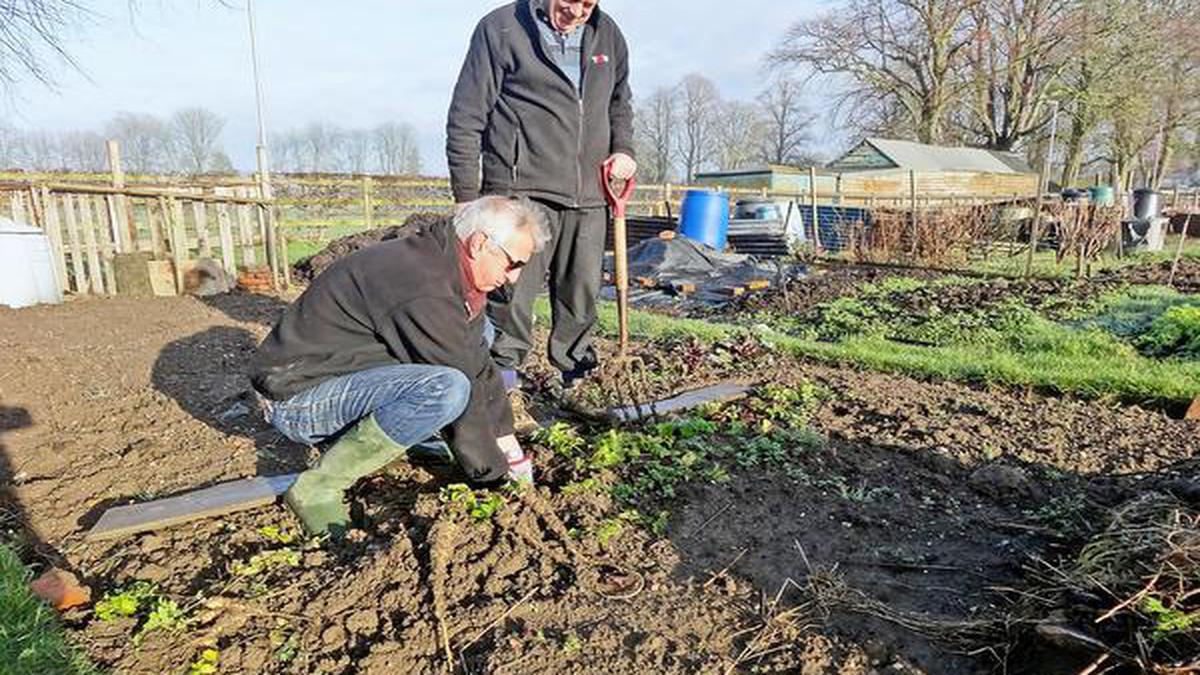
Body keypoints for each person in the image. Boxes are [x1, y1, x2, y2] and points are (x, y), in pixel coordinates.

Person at [250, 196, 551, 536]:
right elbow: (463, 383)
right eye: (513, 264)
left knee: (480, 331)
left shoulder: (446, 264)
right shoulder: (423, 287)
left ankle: (392, 433)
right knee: (445, 389)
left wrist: (506, 442)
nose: (513, 278)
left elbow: (477, 362)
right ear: (480, 244)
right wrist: (492, 475)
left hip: (343, 373)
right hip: (298, 399)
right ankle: (318, 486)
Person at [446, 0, 636, 397]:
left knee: (581, 292)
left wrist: (624, 150)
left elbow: (620, 102)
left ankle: (576, 380)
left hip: (591, 191)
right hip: (521, 191)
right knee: (512, 295)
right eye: (570, 2)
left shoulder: (608, 33)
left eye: (589, 3)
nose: (579, 12)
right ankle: (501, 385)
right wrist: (466, 196)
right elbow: (466, 116)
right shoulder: (500, 29)